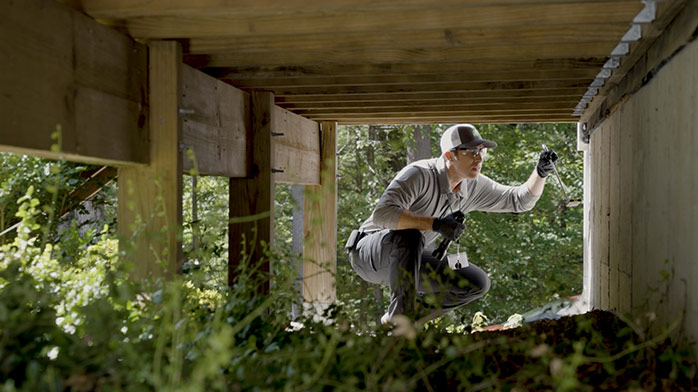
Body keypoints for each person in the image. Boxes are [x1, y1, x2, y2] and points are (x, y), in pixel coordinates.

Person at [344, 124, 558, 326]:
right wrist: (435, 224)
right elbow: (382, 214)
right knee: (410, 236)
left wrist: (540, 173)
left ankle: (399, 320)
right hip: (369, 253)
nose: (479, 158)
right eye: (471, 152)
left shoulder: (473, 185)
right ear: (449, 155)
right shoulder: (419, 174)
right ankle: (401, 329)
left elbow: (518, 201)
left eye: (481, 151)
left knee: (475, 283)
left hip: (409, 261)